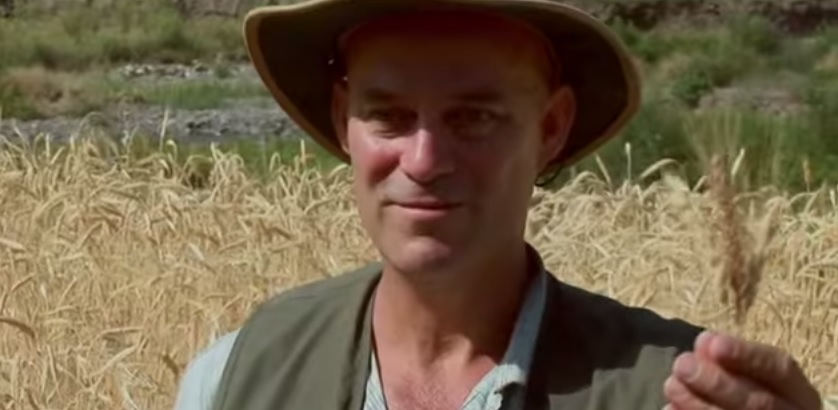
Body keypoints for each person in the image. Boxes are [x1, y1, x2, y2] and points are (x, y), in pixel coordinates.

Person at [173, 0, 824, 409]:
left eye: (474, 118)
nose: (424, 160)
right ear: (344, 121)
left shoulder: (674, 394)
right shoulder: (236, 379)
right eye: (389, 116)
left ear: (551, 127)